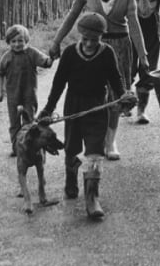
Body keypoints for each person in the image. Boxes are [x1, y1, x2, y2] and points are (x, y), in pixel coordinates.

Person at [48, 0, 148, 161]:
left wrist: (143, 55)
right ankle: (94, 137)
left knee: (115, 96)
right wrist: (56, 42)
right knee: (94, 93)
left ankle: (110, 141)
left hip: (120, 46)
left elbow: (133, 22)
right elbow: (72, 16)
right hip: (94, 46)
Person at [39, 14, 136, 220]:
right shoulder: (69, 54)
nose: (90, 43)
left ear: (102, 37)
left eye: (95, 39)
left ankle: (92, 197)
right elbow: (58, 85)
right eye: (86, 39)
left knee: (95, 150)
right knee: (72, 147)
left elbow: (115, 80)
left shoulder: (107, 53)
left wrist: (123, 96)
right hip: (74, 105)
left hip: (98, 107)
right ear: (80, 35)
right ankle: (71, 179)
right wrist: (47, 110)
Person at [0, 24, 52, 156]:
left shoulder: (32, 53)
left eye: (20, 41)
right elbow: (0, 73)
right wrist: (0, 91)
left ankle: (29, 145)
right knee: (14, 123)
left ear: (26, 41)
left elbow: (46, 63)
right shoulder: (7, 57)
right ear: (9, 42)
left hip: (29, 94)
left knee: (29, 121)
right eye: (13, 41)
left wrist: (53, 56)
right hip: (13, 96)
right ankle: (16, 147)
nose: (17, 44)